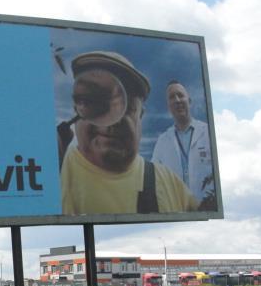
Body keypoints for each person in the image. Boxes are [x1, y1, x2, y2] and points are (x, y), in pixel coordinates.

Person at [60, 51, 198, 215]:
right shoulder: (51, 172)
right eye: (96, 103)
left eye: (127, 108)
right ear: (76, 109)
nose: (112, 120)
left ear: (140, 115)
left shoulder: (171, 186)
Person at [151, 80, 215, 206]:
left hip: (207, 207)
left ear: (189, 101)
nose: (177, 100)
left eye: (180, 95)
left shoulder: (208, 133)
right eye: (172, 97)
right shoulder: (162, 141)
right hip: (175, 209)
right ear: (168, 106)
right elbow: (154, 179)